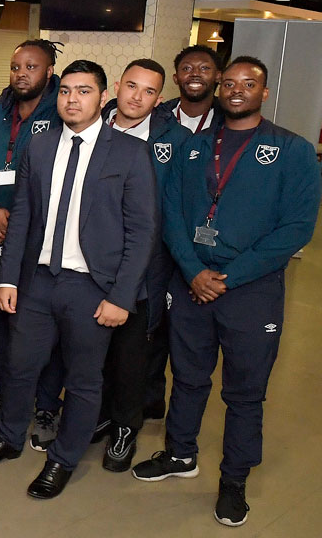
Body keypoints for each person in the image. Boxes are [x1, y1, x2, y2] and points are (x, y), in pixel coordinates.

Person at [133, 56, 320, 527]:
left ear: (264, 91)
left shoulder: (291, 150)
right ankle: (180, 454)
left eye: (249, 84)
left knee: (244, 392)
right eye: (231, 83)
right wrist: (194, 270)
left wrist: (229, 277)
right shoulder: (193, 147)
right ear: (219, 87)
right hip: (192, 281)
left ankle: (234, 480)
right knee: (189, 378)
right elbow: (171, 213)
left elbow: (296, 228)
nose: (237, 90)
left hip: (250, 290)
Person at [0, 60, 157, 500]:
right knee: (19, 366)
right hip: (37, 280)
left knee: (84, 379)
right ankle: (10, 438)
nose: (73, 99)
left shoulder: (128, 152)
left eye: (84, 91)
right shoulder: (42, 145)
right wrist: (8, 278)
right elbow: (24, 217)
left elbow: (143, 231)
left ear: (102, 98)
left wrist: (121, 297)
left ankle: (63, 459)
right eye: (67, 91)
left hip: (92, 287)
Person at [0, 40, 65, 452]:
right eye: (15, 66)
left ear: (49, 71)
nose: (22, 74)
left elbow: (55, 182)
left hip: (36, 243)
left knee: (41, 329)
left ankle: (45, 405)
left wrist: (13, 224)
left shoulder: (60, 114)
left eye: (32, 67)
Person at [92, 59, 190, 472]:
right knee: (89, 351)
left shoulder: (177, 141)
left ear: (159, 99)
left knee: (132, 355)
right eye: (131, 86)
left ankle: (125, 427)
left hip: (143, 269)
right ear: (117, 85)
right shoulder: (89, 126)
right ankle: (95, 413)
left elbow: (179, 208)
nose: (137, 96)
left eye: (148, 91)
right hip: (89, 262)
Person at [144, 44, 226, 421]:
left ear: (216, 77)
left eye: (204, 68)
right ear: (175, 77)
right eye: (187, 68)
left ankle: (184, 409)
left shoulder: (231, 122)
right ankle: (150, 398)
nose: (195, 73)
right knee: (155, 320)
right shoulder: (158, 117)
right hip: (160, 238)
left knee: (190, 336)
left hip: (208, 246)